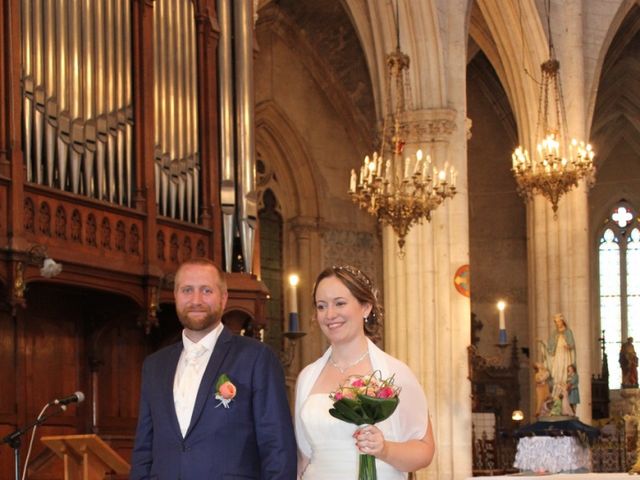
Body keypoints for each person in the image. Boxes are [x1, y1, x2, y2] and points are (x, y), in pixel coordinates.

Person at [130, 258, 297, 479]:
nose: (196, 300)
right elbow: (144, 449)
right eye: (187, 290)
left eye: (206, 290)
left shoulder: (256, 358)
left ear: (224, 298)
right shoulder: (154, 366)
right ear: (176, 295)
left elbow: (278, 448)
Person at [295, 265, 435, 479]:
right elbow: (303, 458)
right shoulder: (307, 377)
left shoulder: (395, 373)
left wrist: (385, 449)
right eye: (321, 306)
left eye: (340, 303)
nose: (329, 314)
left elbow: (425, 451)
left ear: (366, 307)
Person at [546, 313, 576, 391]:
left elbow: (572, 344)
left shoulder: (568, 332)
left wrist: (568, 346)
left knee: (565, 369)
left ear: (562, 321)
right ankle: (557, 385)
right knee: (557, 370)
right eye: (556, 322)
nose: (557, 323)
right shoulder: (554, 333)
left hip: (565, 354)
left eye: (559, 321)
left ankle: (564, 385)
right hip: (558, 354)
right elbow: (550, 344)